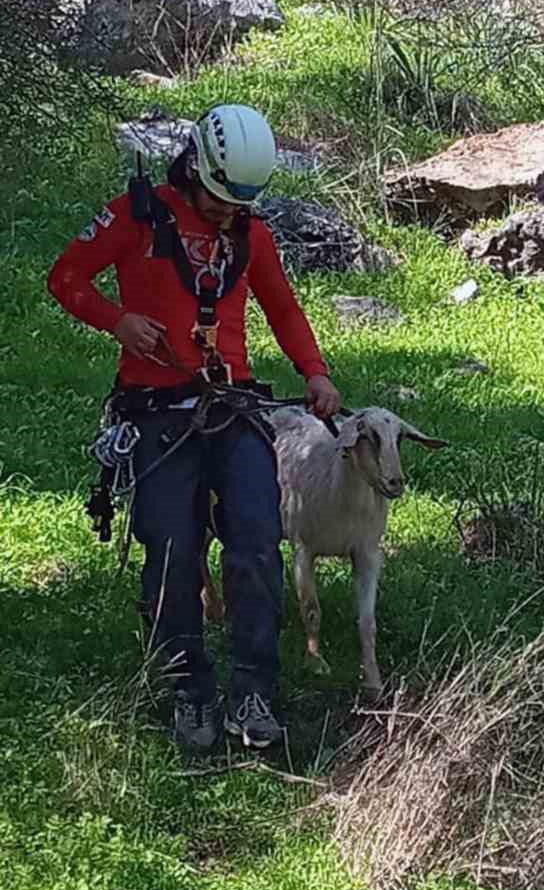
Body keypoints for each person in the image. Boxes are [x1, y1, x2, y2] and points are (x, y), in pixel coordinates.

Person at [47, 104, 341, 753]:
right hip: (155, 411)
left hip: (232, 406)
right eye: (216, 198)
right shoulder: (136, 217)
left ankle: (255, 690)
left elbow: (284, 309)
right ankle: (189, 692)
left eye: (238, 203)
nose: (224, 212)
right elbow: (65, 278)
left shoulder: (250, 233)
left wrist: (315, 373)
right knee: (174, 551)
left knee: (258, 542)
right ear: (192, 169)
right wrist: (117, 320)